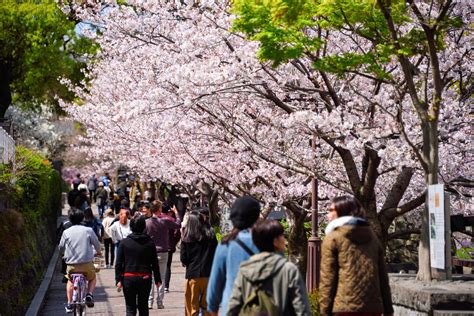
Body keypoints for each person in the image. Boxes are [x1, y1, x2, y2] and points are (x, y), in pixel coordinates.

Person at [319, 196, 394, 316]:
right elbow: (382, 277)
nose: (328, 214)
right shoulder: (373, 237)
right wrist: (388, 309)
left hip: (344, 307)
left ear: (342, 211)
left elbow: (328, 279)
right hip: (373, 309)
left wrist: (324, 311)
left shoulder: (333, 238)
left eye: (331, 210)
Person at [227, 219, 311, 315]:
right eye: (282, 236)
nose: (285, 240)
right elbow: (302, 309)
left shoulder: (245, 269)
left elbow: (233, 307)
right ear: (275, 241)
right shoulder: (288, 270)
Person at [207, 195, 261, 316]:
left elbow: (215, 282)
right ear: (256, 216)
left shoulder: (226, 245)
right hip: (262, 308)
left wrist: (213, 307)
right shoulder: (268, 242)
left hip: (232, 307)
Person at [115, 215, 161, 316]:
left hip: (128, 277)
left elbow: (118, 263)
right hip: (145, 278)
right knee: (143, 306)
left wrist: (118, 279)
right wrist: (158, 279)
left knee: (130, 307)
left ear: (131, 227)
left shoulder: (124, 243)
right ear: (144, 227)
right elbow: (154, 263)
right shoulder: (149, 243)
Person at [58, 208, 102, 313]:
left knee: (70, 280)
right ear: (82, 218)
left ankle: (69, 303)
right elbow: (97, 245)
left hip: (72, 266)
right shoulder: (88, 230)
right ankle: (89, 294)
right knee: (92, 278)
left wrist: (63, 254)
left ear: (70, 219)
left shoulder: (66, 232)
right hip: (87, 265)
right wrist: (99, 252)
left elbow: (61, 248)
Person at [145, 200, 181, 309]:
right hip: (164, 251)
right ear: (159, 209)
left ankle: (149, 302)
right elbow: (178, 225)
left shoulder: (147, 222)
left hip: (150, 252)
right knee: (161, 277)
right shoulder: (165, 221)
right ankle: (160, 302)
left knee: (150, 277)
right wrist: (177, 213)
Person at [181, 209, 218, 315]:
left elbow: (184, 259)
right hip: (208, 275)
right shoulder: (210, 235)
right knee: (207, 306)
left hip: (193, 276)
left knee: (192, 307)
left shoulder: (186, 238)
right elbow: (216, 253)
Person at [162, 204, 181, 293]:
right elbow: (178, 228)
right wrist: (176, 213)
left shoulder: (155, 219)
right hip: (169, 246)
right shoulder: (170, 220)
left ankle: (158, 284)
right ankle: (166, 286)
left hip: (156, 247)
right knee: (167, 266)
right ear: (169, 211)